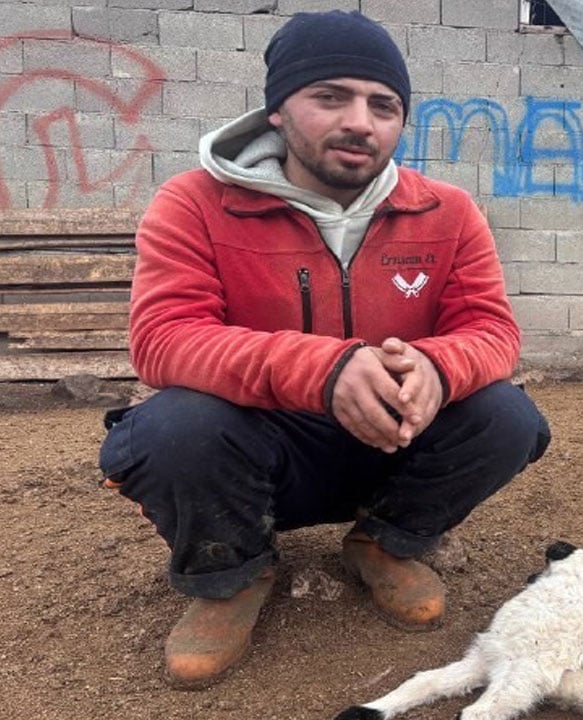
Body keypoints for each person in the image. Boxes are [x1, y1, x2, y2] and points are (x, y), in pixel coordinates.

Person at [97, 10, 551, 690]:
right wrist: (321, 367)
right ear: (279, 111)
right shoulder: (195, 204)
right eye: (330, 97)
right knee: (172, 428)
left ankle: (385, 541)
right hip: (263, 450)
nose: (361, 122)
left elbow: (492, 331)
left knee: (507, 417)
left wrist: (438, 365)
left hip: (390, 440)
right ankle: (233, 574)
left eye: (383, 104)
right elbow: (163, 338)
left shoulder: (448, 212)